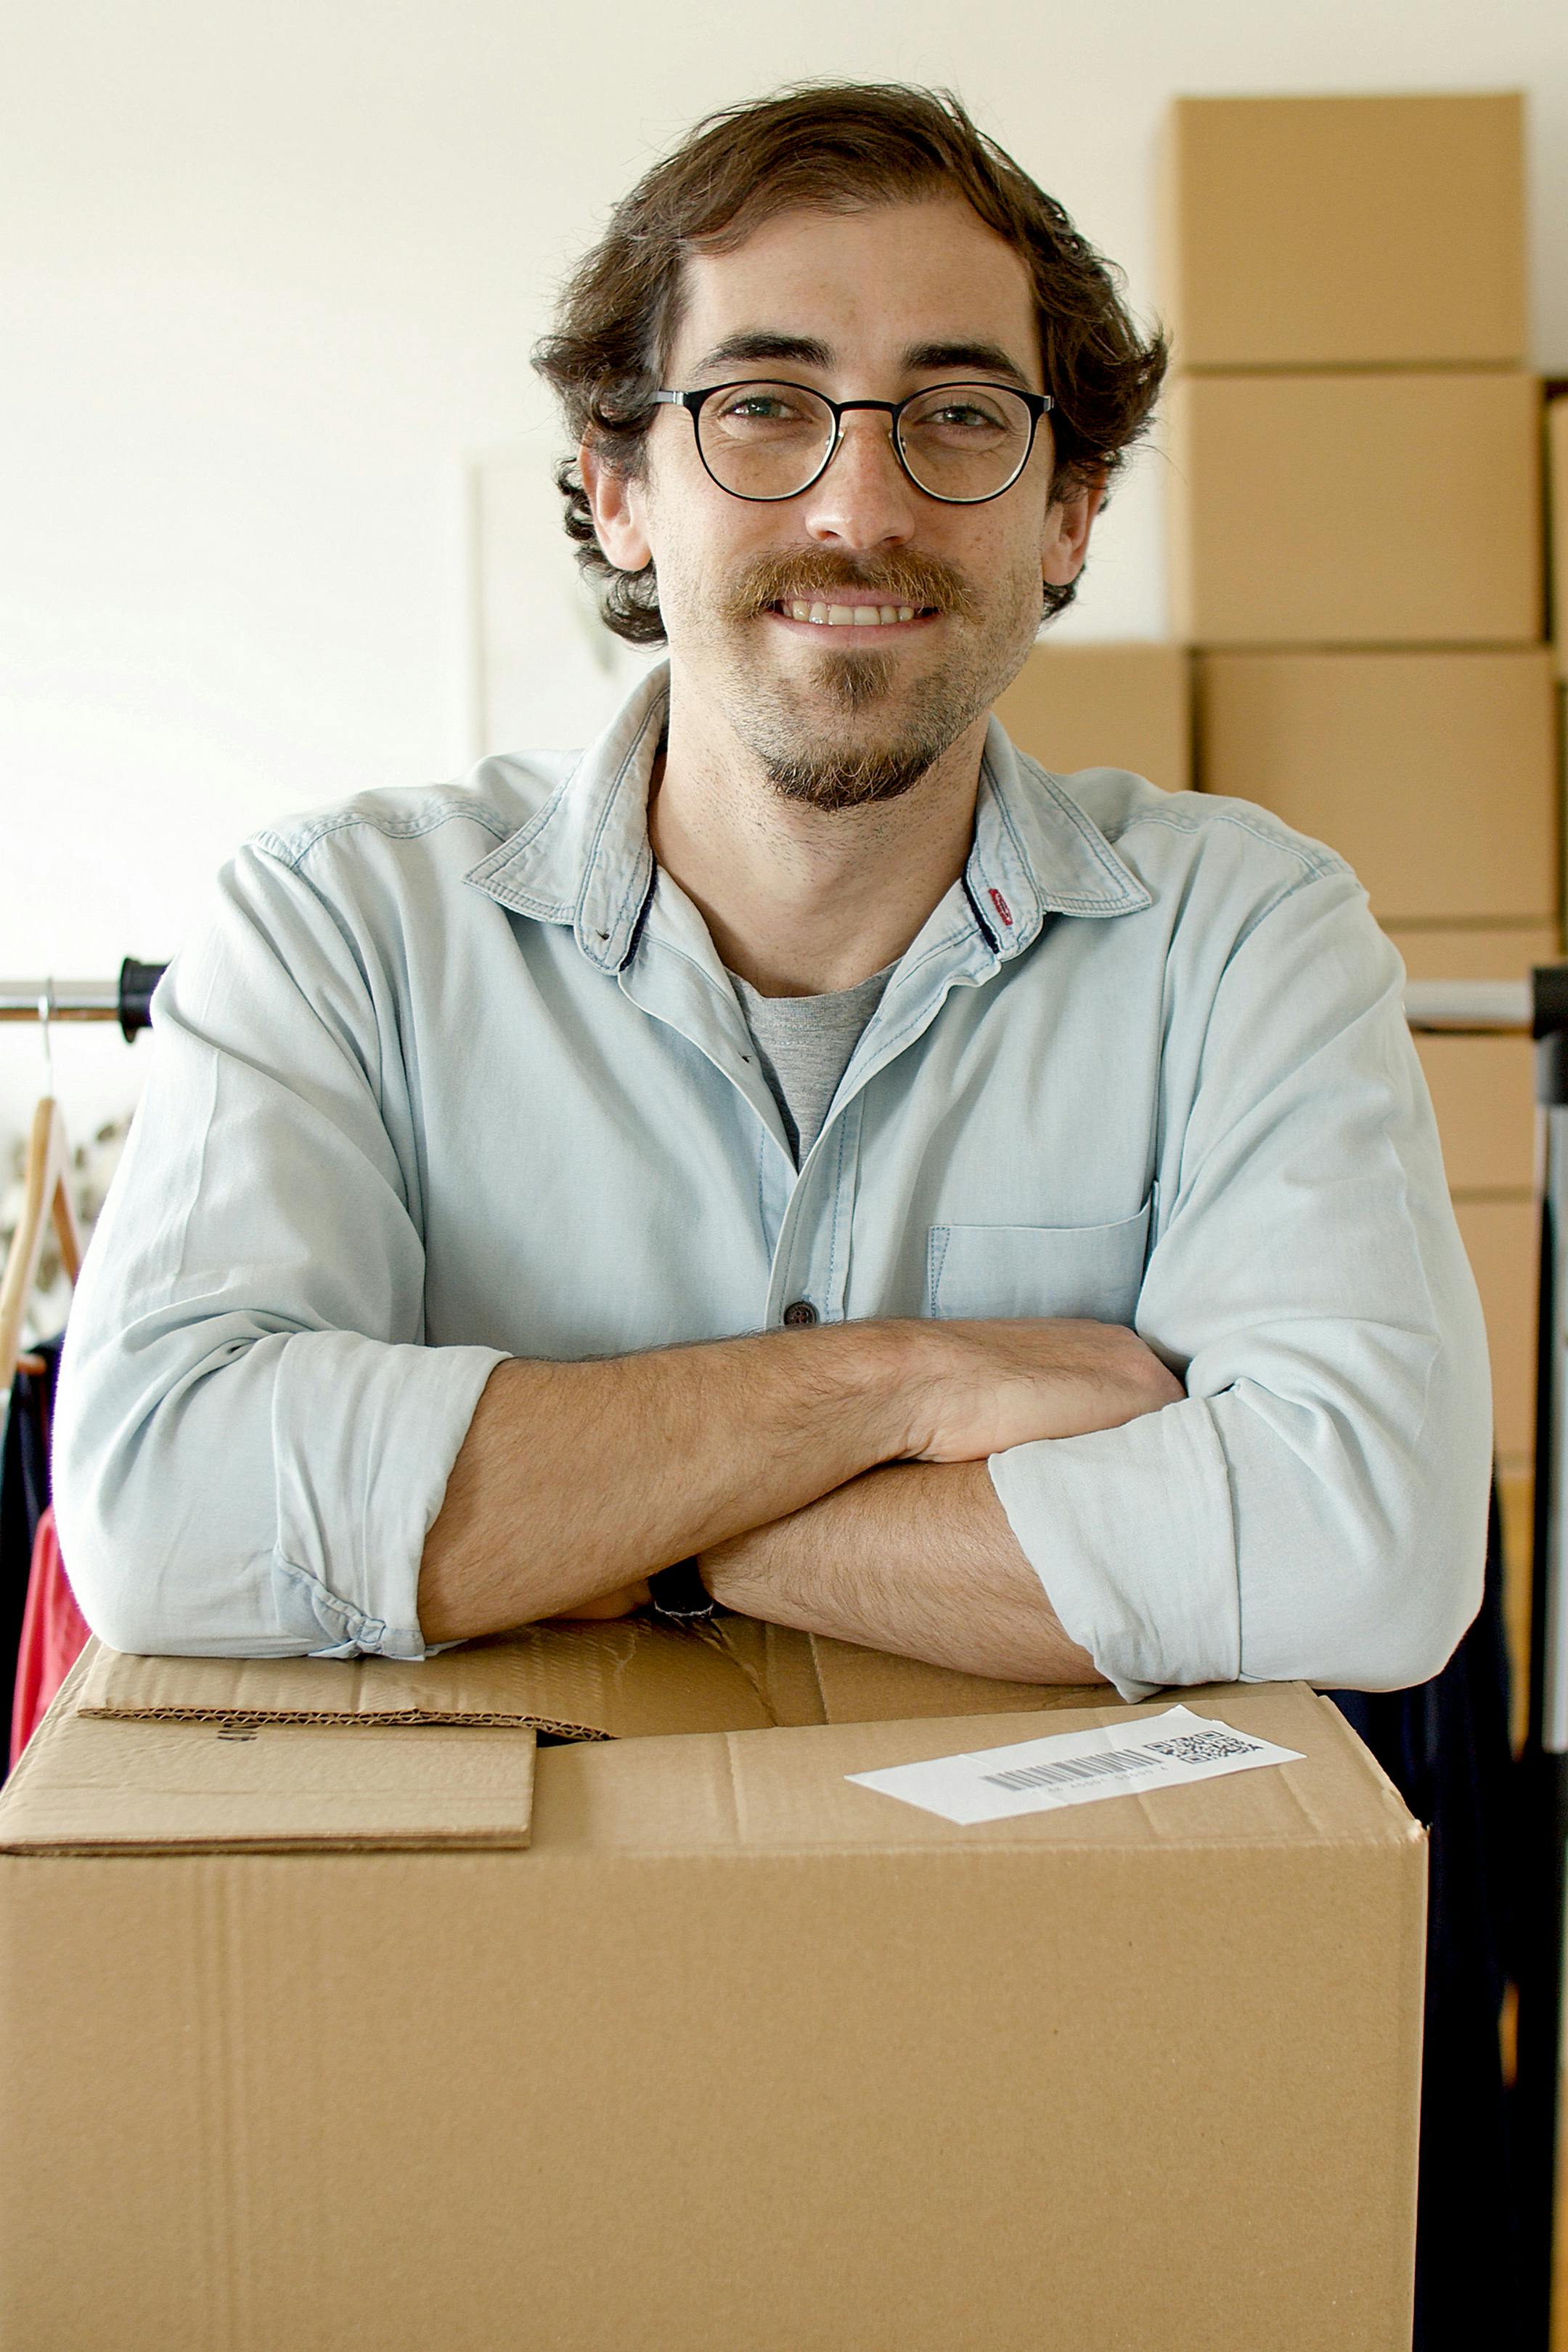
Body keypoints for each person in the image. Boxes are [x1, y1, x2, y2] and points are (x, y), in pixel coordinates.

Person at [53, 83, 1490, 1702]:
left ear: (1067, 514)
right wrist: (892, 1390)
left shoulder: (1245, 941)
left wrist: (621, 1521)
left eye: (957, 414)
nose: (858, 511)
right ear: (621, 495)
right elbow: (160, 1508)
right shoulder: (338, 933)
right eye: (759, 405)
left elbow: (1368, 1553)